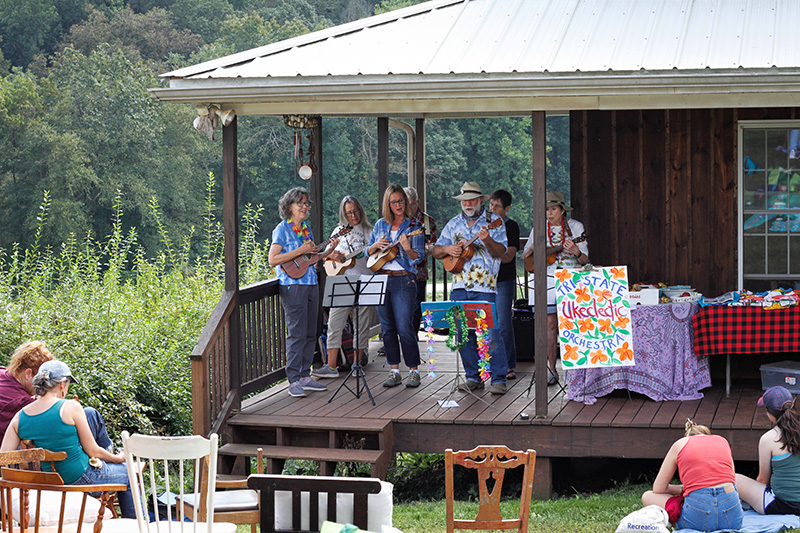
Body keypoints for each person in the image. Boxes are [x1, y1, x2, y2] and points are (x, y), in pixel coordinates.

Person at [0, 360, 138, 519]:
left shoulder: (19, 417)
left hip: (49, 484)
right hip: (82, 478)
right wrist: (119, 458)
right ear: (62, 385)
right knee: (130, 473)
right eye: (68, 384)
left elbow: (5, 457)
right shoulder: (70, 406)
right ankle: (136, 525)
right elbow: (92, 450)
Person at [433, 181, 508, 395]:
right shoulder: (453, 223)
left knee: (490, 333)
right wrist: (448, 248)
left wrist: (488, 240)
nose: (467, 203)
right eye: (464, 200)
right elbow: (437, 251)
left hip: (485, 286)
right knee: (462, 334)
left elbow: (501, 251)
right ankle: (473, 376)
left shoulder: (494, 222)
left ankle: (498, 378)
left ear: (480, 201)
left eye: (472, 199)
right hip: (459, 286)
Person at [268, 187, 342, 398]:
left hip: (310, 283)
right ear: (288, 206)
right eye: (300, 203)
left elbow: (309, 259)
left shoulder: (305, 229)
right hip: (292, 286)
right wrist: (299, 250)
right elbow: (273, 259)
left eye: (307, 203)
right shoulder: (282, 229)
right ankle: (293, 380)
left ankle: (304, 376)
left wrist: (328, 253)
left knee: (311, 331)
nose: (304, 207)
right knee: (297, 333)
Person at [520, 191, 589, 386]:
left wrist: (575, 251)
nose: (549, 213)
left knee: (573, 325)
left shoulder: (576, 228)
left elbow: (585, 260)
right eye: (547, 210)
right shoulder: (539, 227)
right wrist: (531, 250)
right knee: (549, 324)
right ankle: (551, 369)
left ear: (562, 210)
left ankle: (576, 373)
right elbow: (526, 256)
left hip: (571, 279)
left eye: (553, 209)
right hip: (546, 280)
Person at [0, 341, 113, 449]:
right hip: (19, 454)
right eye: (42, 379)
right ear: (28, 373)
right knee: (90, 414)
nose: (45, 384)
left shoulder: (3, 373)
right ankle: (109, 455)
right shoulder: (21, 401)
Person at [312, 195, 378, 379]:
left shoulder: (371, 231)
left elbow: (376, 256)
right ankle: (331, 366)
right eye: (349, 212)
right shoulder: (339, 230)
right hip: (341, 280)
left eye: (356, 211)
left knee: (361, 324)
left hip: (365, 280)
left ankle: (357, 364)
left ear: (361, 210)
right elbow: (325, 256)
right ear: (344, 214)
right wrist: (332, 256)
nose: (353, 215)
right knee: (334, 323)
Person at [366, 184, 425, 388]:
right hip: (381, 278)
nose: (398, 205)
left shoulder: (413, 226)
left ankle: (414, 370)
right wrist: (374, 246)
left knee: (404, 327)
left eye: (401, 201)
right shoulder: (380, 225)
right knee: (388, 329)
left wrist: (408, 250)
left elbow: (419, 257)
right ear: (387, 204)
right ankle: (394, 371)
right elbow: (368, 253)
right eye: (394, 202)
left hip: (403, 279)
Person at [642, 419, 743, 531]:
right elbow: (732, 480)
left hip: (697, 519)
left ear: (688, 436)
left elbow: (659, 488)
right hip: (733, 520)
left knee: (648, 495)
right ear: (707, 435)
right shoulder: (722, 441)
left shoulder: (679, 444)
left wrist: (683, 488)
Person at [736, 386, 800, 515]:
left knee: (732, 478)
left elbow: (763, 480)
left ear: (769, 413)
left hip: (781, 504)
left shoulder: (768, 439)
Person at [489, 190, 519, 380]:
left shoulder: (511, 226)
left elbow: (508, 256)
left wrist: (490, 244)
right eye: (491, 204)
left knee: (503, 324)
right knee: (489, 325)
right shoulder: (484, 225)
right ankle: (491, 363)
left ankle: (508, 364)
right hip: (485, 281)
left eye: (497, 206)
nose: (492, 208)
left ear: (507, 209)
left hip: (504, 279)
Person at [404, 187, 437, 333]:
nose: (408, 208)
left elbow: (434, 245)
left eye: (411, 204)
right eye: (406, 204)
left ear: (417, 202)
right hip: (400, 271)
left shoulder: (427, 221)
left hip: (419, 272)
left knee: (416, 307)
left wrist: (417, 250)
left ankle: (413, 337)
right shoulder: (398, 220)